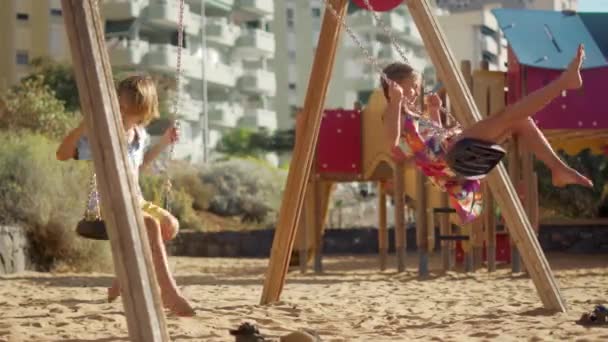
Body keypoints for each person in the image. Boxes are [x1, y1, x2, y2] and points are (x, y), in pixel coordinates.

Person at [382, 44, 592, 223]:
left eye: (416, 87)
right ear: (394, 89)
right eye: (409, 88)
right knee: (508, 114)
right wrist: (395, 102)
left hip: (456, 156)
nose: (414, 92)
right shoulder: (395, 114)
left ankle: (558, 168)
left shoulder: (418, 116)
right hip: (452, 160)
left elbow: (432, 140)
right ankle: (565, 82)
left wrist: (435, 112)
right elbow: (394, 144)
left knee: (520, 120)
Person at [56, 75, 195, 316]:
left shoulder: (140, 136)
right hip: (106, 204)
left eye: (124, 107)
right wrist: (84, 126)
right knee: (149, 224)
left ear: (142, 110)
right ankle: (168, 292)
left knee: (169, 224)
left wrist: (163, 143)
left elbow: (138, 168)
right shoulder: (103, 136)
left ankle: (122, 277)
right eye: (117, 105)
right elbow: (62, 153)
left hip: (135, 200)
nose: (119, 111)